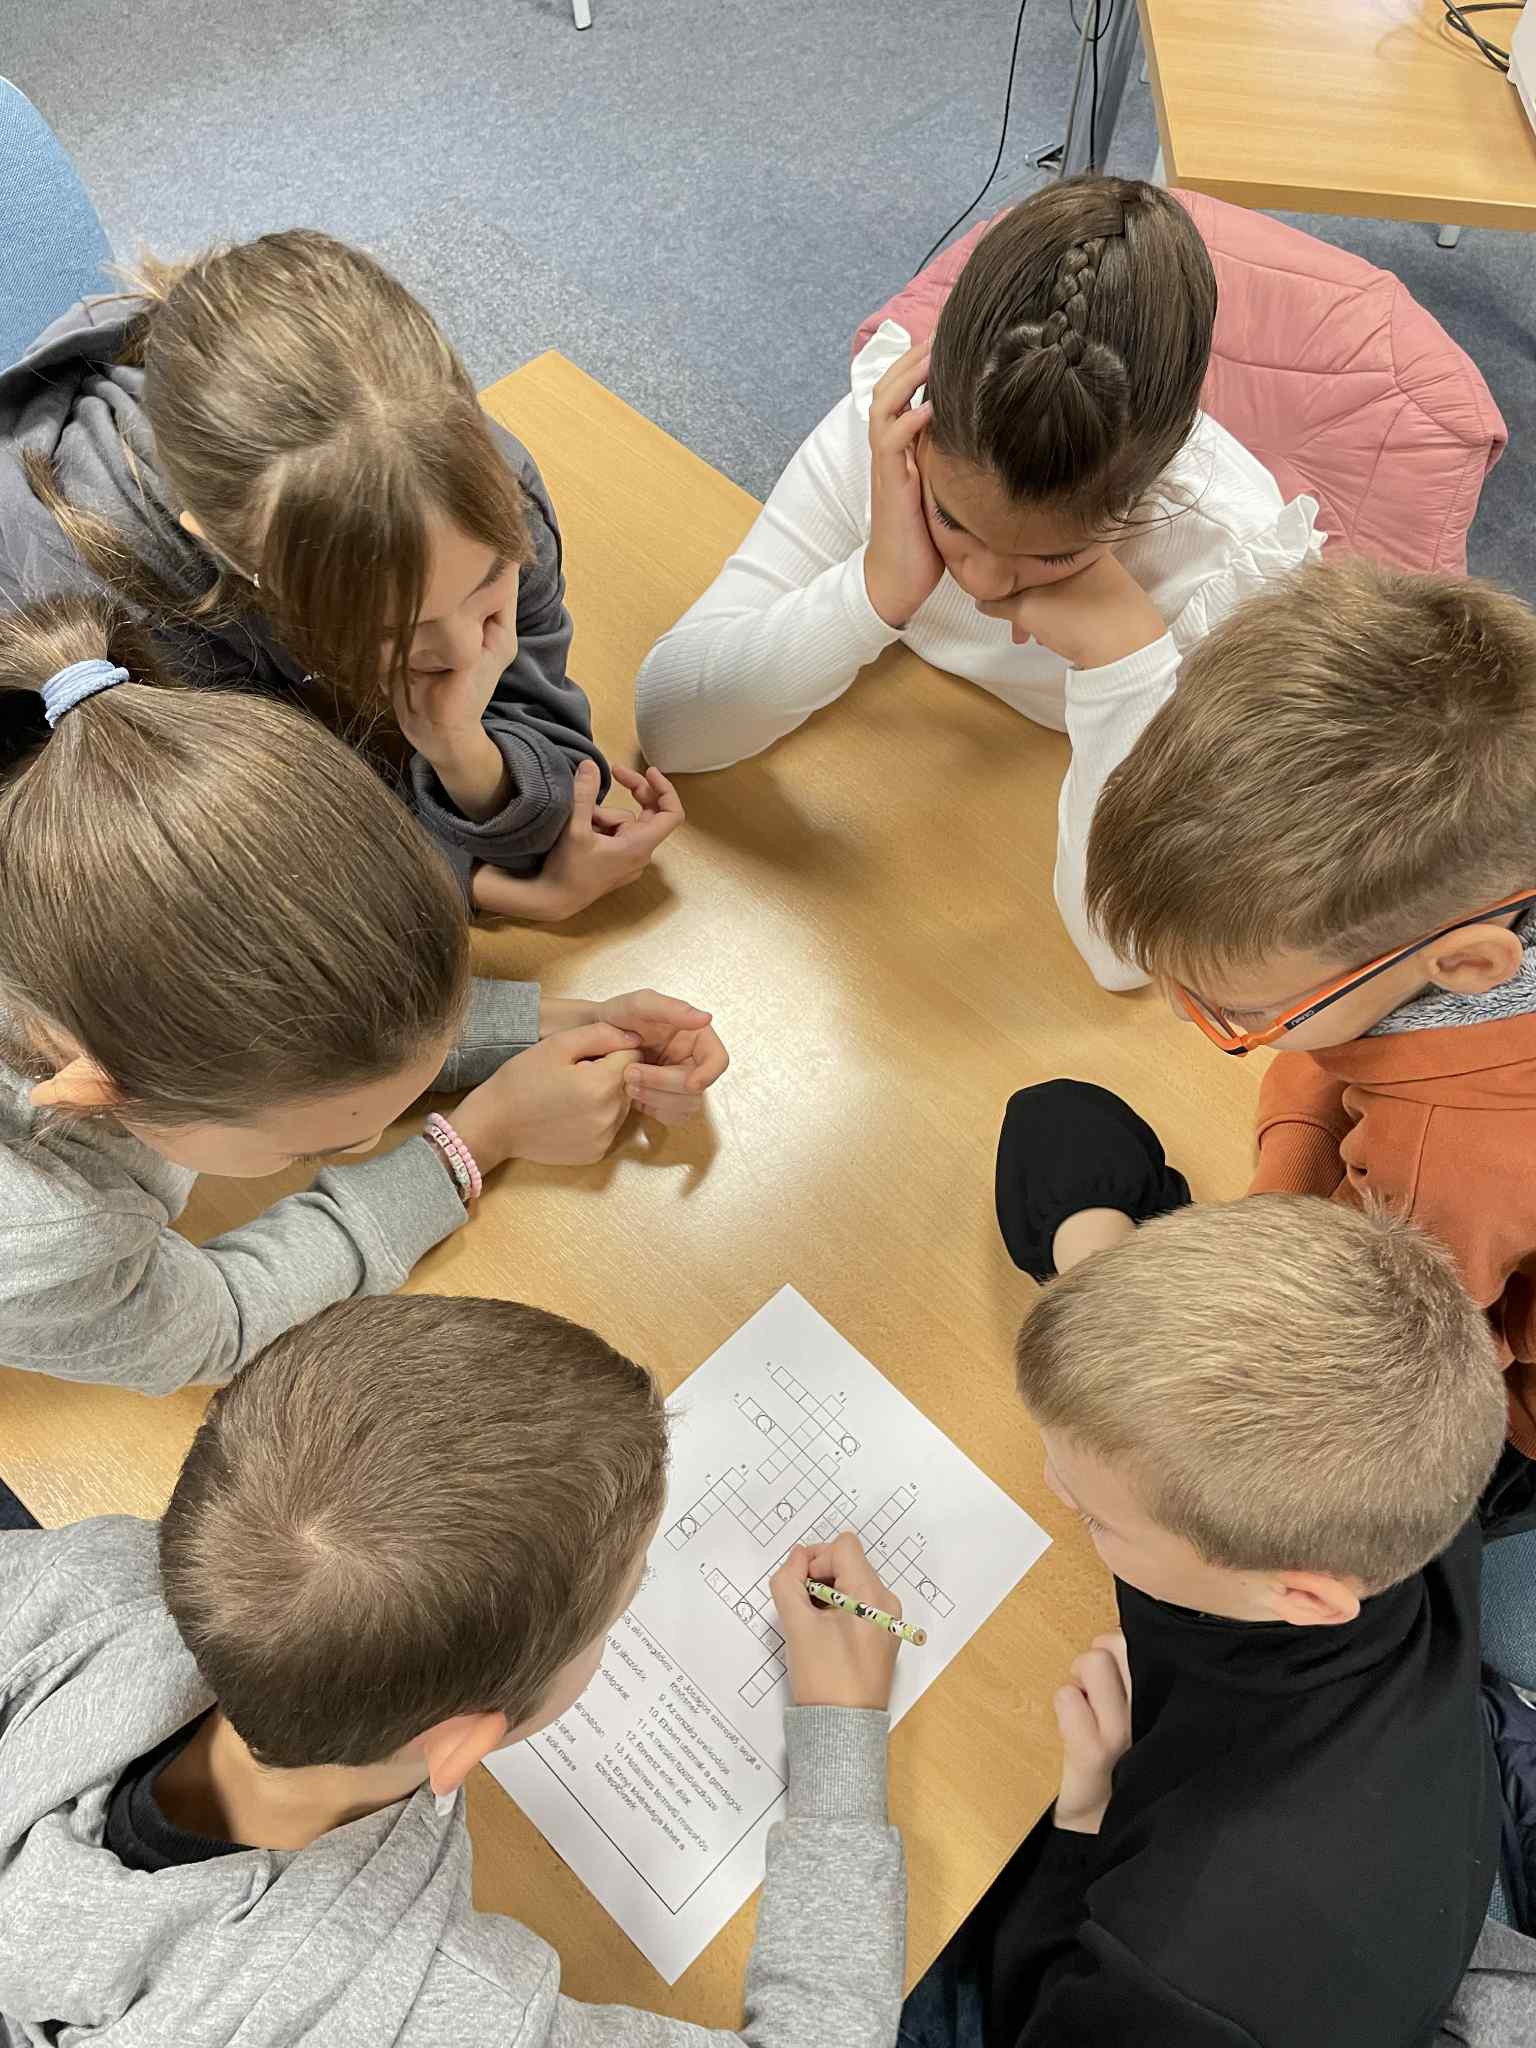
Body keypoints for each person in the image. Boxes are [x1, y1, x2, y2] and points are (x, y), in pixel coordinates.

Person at [0, 1292, 905, 2047]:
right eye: (631, 1595)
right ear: (460, 1745)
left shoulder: (80, 1578)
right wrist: (842, 1735)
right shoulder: (456, 2012)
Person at [0, 595, 727, 1393]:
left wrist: (565, 1021)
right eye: (308, 1149)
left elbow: (335, 1026)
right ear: (96, 1090)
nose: (364, 1141)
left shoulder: (70, 821)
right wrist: (477, 1139)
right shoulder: (45, 1238)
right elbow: (221, 1324)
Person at [634, 175, 1321, 988]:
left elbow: (1127, 952)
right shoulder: (893, 434)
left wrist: (1126, 657)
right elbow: (672, 728)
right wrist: (875, 588)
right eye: (951, 518)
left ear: (1148, 494)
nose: (985, 582)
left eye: (1057, 557)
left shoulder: (1232, 566)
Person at [903, 1190, 1528, 2047]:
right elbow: (1058, 1129)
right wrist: (1121, 1295)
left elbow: (1034, 2016)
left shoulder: (1181, 1964)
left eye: (1095, 1519)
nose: (1053, 1489)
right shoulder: (1407, 1487)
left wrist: (1085, 1815)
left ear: (1301, 1597)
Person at [0, 228, 681, 922]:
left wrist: (460, 749)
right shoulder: (100, 601)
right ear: (225, 549)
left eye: (488, 583)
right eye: (392, 626)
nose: (466, 651)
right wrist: (473, 885)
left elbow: (555, 777)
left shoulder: (485, 494)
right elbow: (210, 870)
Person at [1081, 557, 1536, 1588]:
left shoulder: (1444, 1165)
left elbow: (1397, 1346)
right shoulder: (1490, 871)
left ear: (1465, 965)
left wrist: (1284, 1230)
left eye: (1245, 1014)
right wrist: (1290, 1180)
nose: (1191, 1017)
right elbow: (1354, 1045)